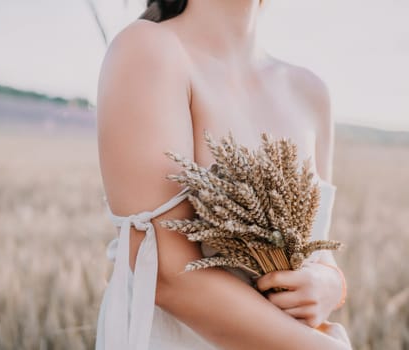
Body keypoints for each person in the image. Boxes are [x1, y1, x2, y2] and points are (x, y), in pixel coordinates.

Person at [95, 0, 352, 349]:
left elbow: (315, 244)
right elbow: (163, 272)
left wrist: (329, 282)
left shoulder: (311, 92)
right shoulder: (148, 49)